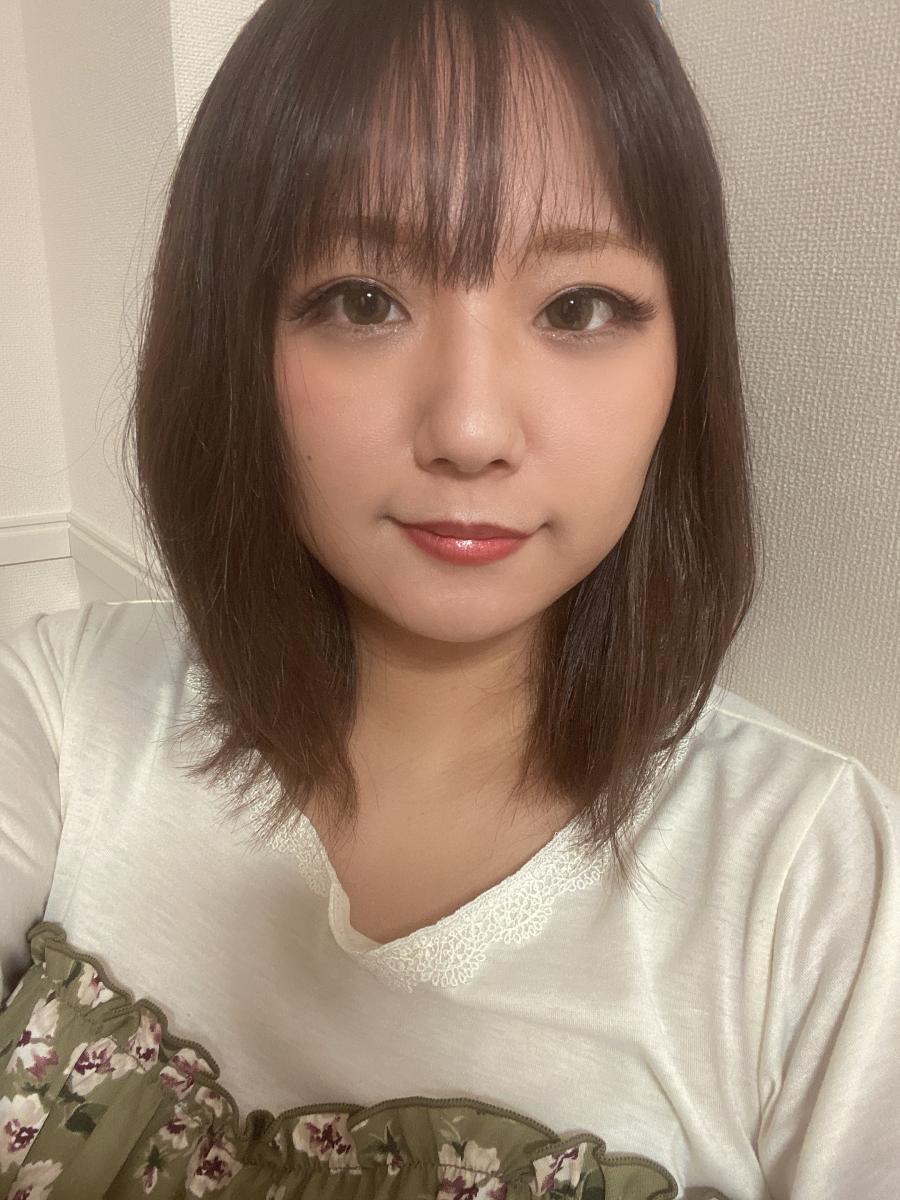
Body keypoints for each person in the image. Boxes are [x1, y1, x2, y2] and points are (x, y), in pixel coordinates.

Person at [1, 0, 897, 1196]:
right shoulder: (68, 707)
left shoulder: (813, 878)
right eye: (362, 300)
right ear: (235, 340)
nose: (471, 429)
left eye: (579, 307)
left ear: (683, 362)